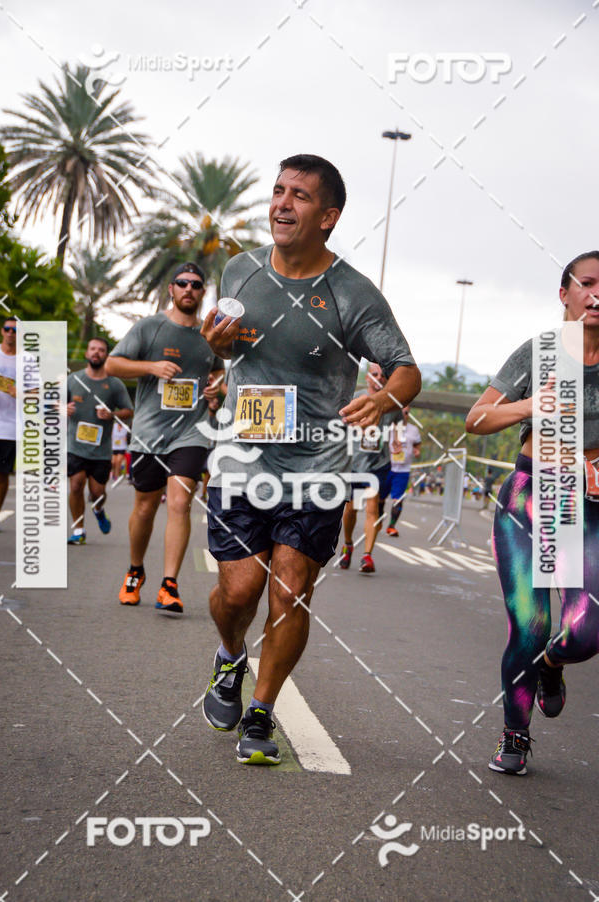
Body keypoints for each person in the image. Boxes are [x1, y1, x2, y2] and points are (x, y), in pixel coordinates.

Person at [200, 154, 420, 765]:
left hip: (317, 467)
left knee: (291, 590)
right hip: (242, 460)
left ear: (328, 217)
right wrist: (214, 347)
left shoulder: (351, 292)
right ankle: (229, 654)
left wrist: (383, 398)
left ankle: (261, 710)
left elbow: (406, 370)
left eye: (299, 195)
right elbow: (224, 353)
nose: (281, 202)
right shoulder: (240, 271)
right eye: (278, 190)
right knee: (238, 592)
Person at [466, 250, 599, 776]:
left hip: (587, 506)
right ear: (564, 293)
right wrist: (527, 407)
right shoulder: (540, 352)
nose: (597, 294)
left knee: (585, 631)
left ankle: (551, 663)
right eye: (587, 283)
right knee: (530, 625)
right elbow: (476, 419)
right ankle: (515, 735)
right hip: (530, 497)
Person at [106, 263, 225, 616]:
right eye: (182, 283)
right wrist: (151, 367)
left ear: (203, 292)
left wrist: (215, 387)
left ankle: (169, 584)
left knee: (180, 501)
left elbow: (218, 369)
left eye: (196, 284)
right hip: (149, 433)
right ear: (171, 289)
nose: (189, 289)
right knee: (145, 506)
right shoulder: (149, 328)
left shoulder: (208, 333)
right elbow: (113, 365)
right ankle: (135, 570)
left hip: (190, 432)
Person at [67, 338, 133, 545]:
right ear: (87, 353)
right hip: (75, 446)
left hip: (101, 450)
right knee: (76, 485)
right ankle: (79, 530)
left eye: (101, 350)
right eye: (93, 349)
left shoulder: (114, 384)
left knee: (97, 492)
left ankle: (98, 509)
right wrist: (62, 408)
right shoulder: (73, 379)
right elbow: (53, 403)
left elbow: (129, 411)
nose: (96, 352)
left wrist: (112, 414)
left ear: (106, 355)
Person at [339, 362, 401, 573]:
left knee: (372, 508)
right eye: (375, 374)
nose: (379, 378)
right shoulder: (356, 398)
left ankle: (367, 556)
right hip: (355, 463)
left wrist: (396, 440)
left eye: (383, 375)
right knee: (351, 509)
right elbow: (341, 424)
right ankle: (348, 544)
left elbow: (398, 424)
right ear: (367, 377)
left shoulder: (392, 403)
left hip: (377, 463)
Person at [385, 403, 421, 537]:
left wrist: (417, 451)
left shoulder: (413, 430)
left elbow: (417, 445)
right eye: (401, 412)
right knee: (379, 499)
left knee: (398, 499)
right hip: (387, 467)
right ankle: (376, 520)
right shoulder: (388, 427)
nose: (403, 415)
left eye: (406, 413)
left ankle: (392, 526)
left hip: (403, 470)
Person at [0, 317, 17, 516]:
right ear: (2, 331)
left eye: (15, 330)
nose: (11, 333)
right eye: (7, 329)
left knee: (2, 474)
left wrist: (20, 393)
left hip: (9, 427)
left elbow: (36, 392)